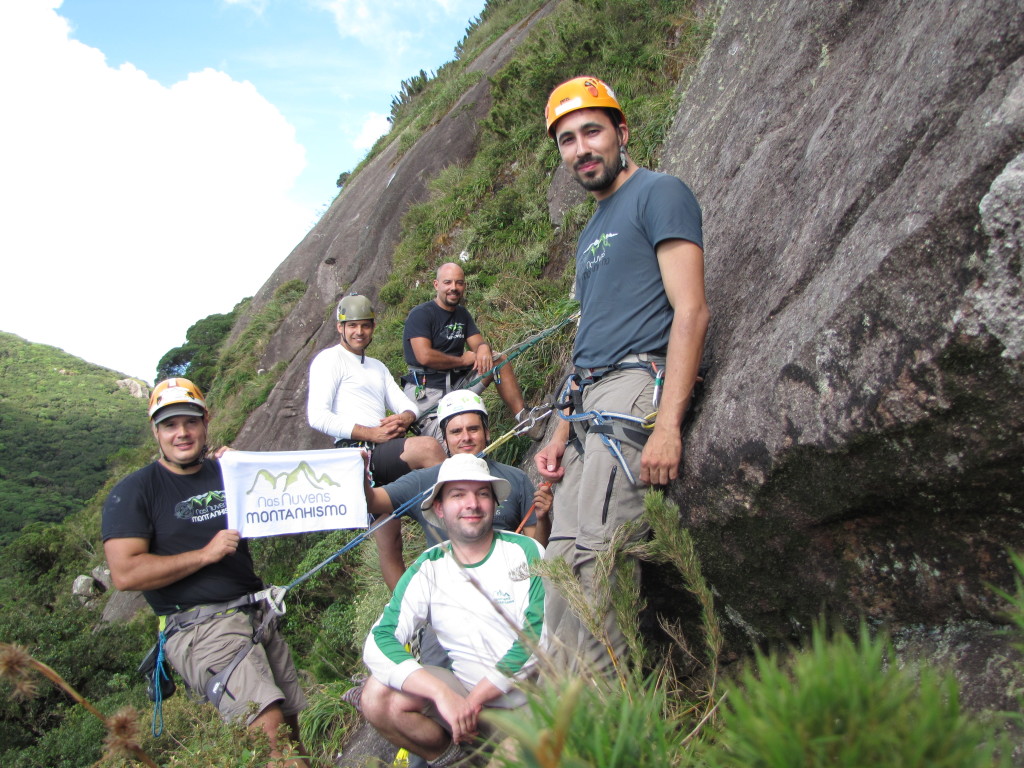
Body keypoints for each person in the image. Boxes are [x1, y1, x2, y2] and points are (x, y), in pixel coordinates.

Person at [534, 76, 710, 677]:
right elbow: (589, 336)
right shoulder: (589, 233)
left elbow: (691, 310)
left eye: (592, 131)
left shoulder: (660, 193)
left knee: (598, 564)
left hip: (634, 389)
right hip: (587, 409)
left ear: (621, 132)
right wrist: (558, 433)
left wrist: (668, 426)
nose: (581, 148)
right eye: (567, 140)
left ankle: (611, 714)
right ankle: (563, 714)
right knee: (559, 570)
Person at [102, 378, 309, 767]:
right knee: (270, 736)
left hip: (256, 615)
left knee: (293, 732)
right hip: (201, 629)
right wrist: (204, 555)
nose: (181, 433)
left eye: (190, 422)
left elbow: (290, 489)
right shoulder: (135, 491)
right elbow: (125, 573)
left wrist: (354, 467)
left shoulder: (226, 472)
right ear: (156, 431)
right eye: (170, 425)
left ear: (205, 422)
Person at [360, 453, 547, 767]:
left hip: (529, 706)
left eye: (482, 494)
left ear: (494, 504)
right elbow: (380, 640)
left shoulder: (525, 551)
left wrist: (474, 699)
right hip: (461, 700)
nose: (472, 504)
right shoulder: (428, 567)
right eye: (458, 495)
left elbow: (536, 637)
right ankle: (453, 760)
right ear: (439, 508)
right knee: (377, 696)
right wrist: (442, 694)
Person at [367, 389, 551, 591]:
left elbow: (536, 551)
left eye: (473, 429)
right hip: (449, 595)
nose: (466, 438)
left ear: (486, 432)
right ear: (445, 439)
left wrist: (543, 518)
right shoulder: (423, 481)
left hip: (508, 588)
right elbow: (373, 501)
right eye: (456, 432)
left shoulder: (515, 478)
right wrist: (358, 469)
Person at [308, 292, 445, 485]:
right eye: (352, 325)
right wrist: (372, 433)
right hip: (356, 450)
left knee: (392, 513)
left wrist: (405, 418)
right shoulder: (330, 359)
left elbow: (408, 406)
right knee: (428, 448)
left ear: (373, 327)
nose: (359, 332)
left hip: (383, 447)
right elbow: (318, 416)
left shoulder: (377, 366)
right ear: (340, 327)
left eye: (365, 325)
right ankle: (459, 498)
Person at [402, 262, 530, 441]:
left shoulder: (461, 314)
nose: (454, 288)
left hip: (458, 383)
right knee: (450, 442)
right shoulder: (421, 314)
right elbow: (424, 356)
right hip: (428, 392)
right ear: (436, 285)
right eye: (448, 282)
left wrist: (483, 348)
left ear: (464, 286)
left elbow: (478, 343)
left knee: (498, 360)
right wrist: (462, 361)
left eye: (459, 283)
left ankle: (524, 419)